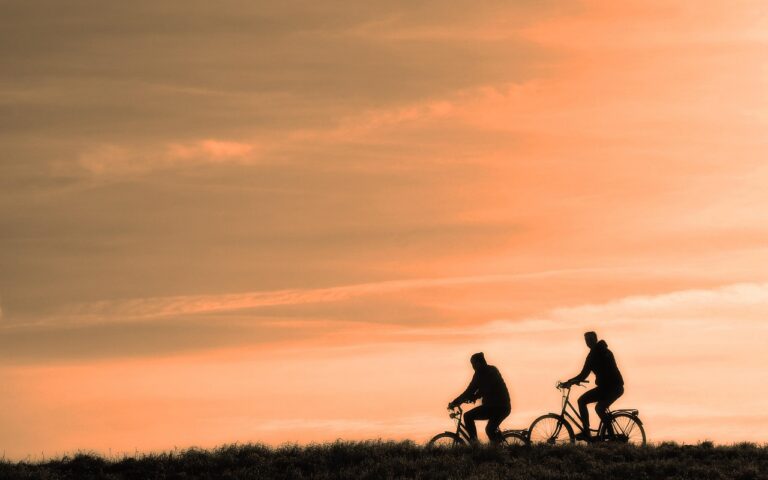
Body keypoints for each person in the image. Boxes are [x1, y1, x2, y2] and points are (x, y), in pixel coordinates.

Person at [561, 331, 624, 441]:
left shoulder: (596, 354)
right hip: (609, 387)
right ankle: (592, 433)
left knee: (595, 406)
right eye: (586, 340)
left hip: (612, 388)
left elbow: (583, 375)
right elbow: (584, 374)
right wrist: (572, 381)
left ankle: (604, 436)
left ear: (595, 339)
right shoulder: (603, 351)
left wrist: (569, 382)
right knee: (591, 404)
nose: (588, 342)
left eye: (589, 339)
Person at [448, 352, 511, 444]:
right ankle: (496, 449)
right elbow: (481, 389)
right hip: (499, 407)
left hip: (497, 407)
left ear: (479, 363)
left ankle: (475, 445)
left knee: (468, 417)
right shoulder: (491, 370)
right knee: (490, 430)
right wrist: (473, 397)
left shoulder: (483, 373)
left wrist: (455, 402)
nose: (472, 366)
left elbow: (471, 390)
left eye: (473, 364)